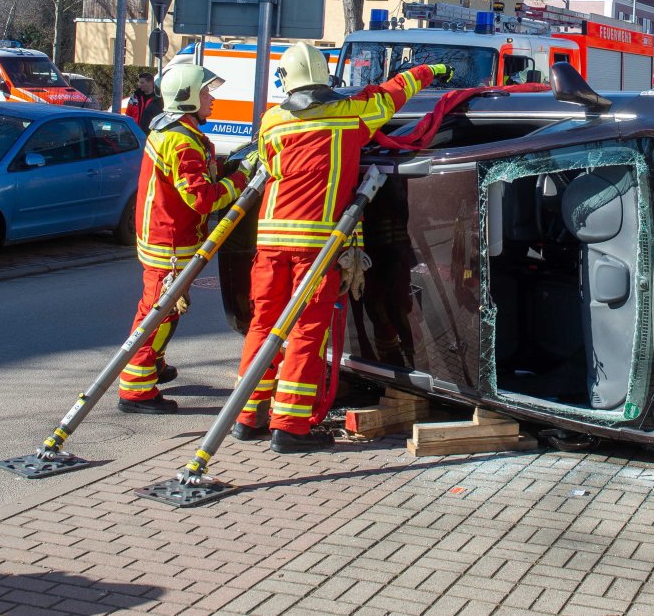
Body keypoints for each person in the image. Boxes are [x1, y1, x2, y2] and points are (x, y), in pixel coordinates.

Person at [233, 43, 448, 453]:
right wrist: (430, 70)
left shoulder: (272, 121)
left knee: (264, 326)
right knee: (306, 330)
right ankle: (290, 428)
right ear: (325, 78)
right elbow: (394, 91)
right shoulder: (349, 114)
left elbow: (269, 164)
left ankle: (248, 416)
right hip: (315, 243)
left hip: (270, 241)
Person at [118, 65, 251, 413]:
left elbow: (196, 177)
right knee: (158, 312)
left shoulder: (179, 131)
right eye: (207, 93)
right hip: (170, 243)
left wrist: (229, 167)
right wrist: (242, 180)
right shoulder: (179, 139)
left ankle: (152, 364)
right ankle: (136, 388)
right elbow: (202, 198)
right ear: (188, 97)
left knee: (165, 309)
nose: (213, 99)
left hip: (167, 237)